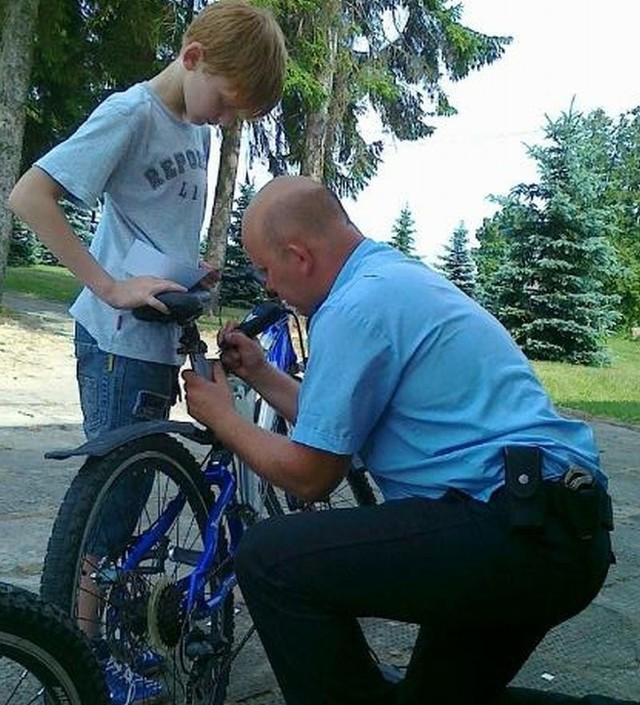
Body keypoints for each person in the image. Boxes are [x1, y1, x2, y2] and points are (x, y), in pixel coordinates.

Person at [182, 175, 633, 705]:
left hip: (512, 529)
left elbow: (311, 476)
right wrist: (258, 373)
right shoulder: (386, 278)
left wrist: (224, 418)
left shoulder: (354, 308)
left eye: (266, 269)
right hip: (556, 527)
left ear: (298, 255)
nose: (268, 289)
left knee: (269, 559)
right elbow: (336, 422)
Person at [8, 2, 287, 703]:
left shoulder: (192, 126)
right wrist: (108, 285)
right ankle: (84, 659)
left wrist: (189, 274)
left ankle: (104, 644)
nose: (224, 121)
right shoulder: (131, 113)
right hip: (114, 341)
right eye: (225, 102)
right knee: (109, 506)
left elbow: (151, 220)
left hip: (157, 333)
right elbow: (29, 195)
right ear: (192, 57)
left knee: (129, 498)